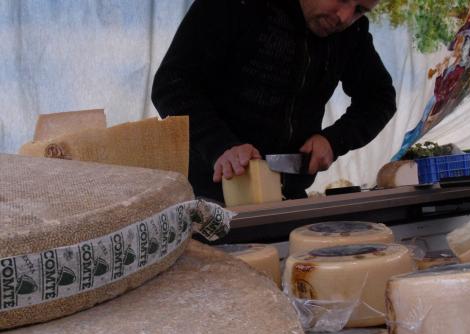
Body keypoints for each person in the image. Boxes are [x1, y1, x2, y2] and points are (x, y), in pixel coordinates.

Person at [152, 0, 396, 202]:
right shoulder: (235, 5)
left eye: (360, 10)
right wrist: (221, 146)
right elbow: (172, 84)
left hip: (287, 200)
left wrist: (334, 140)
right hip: (208, 199)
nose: (344, 17)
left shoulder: (351, 34)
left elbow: (379, 98)